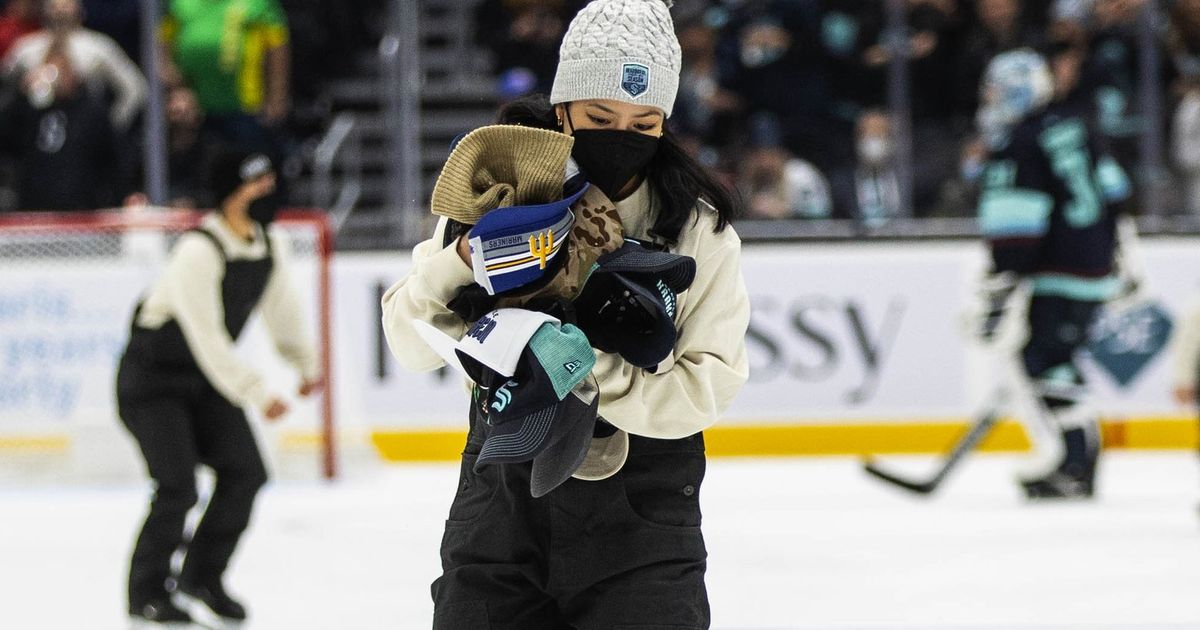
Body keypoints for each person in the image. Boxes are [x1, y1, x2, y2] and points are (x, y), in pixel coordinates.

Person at [381, 0, 750, 626]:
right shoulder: (496, 192)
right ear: (563, 109)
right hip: (500, 513)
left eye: (644, 122)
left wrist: (582, 368)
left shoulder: (698, 228)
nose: (621, 135)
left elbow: (704, 391)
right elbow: (409, 342)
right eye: (600, 117)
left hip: (642, 525)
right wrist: (463, 257)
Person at [116, 150, 322, 627]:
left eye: (270, 180)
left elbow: (283, 311)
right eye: (256, 182)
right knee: (177, 486)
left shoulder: (269, 244)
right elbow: (206, 337)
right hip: (153, 383)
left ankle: (201, 578)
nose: (268, 190)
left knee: (245, 473)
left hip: (206, 382)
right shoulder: (198, 251)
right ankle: (146, 592)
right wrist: (257, 391)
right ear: (230, 192)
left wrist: (304, 364)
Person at [974, 48, 1131, 500]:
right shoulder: (1078, 126)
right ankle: (1075, 461)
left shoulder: (1021, 141)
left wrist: (999, 288)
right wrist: (1113, 252)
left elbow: (1016, 227)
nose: (991, 100)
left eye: (997, 91)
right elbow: (1117, 190)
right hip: (1093, 263)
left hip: (1059, 269)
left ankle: (1077, 463)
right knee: (1050, 359)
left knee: (1046, 360)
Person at [3, 0, 147, 131]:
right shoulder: (26, 48)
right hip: (33, 131)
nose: (60, 11)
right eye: (54, 6)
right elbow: (4, 83)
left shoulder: (98, 48)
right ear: (44, 10)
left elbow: (135, 88)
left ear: (79, 10)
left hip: (83, 131)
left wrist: (108, 128)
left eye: (66, 5)